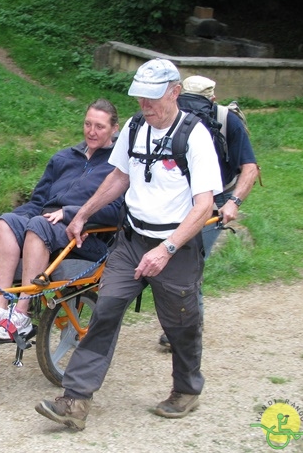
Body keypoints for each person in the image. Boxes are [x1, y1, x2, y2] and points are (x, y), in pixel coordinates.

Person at [35, 59, 222, 430]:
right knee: (105, 310)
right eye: (140, 97)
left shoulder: (195, 135)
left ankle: (186, 389)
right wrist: (83, 214)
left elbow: (204, 207)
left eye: (153, 98)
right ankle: (74, 401)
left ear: (175, 93)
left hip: (177, 247)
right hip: (132, 241)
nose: (145, 105)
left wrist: (166, 249)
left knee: (180, 323)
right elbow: (119, 177)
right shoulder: (136, 128)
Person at [0, 99, 124, 341]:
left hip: (85, 235)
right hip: (45, 223)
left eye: (100, 127)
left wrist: (70, 212)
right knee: (7, 221)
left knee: (39, 225)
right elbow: (38, 202)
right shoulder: (64, 158)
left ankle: (21, 314)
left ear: (114, 129)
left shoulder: (118, 166)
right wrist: (18, 218)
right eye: (87, 124)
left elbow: (116, 210)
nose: (91, 131)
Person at [158, 75, 260, 349]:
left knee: (188, 265)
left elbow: (250, 170)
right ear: (213, 98)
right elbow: (250, 169)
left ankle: (186, 331)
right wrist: (233, 203)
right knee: (184, 264)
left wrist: (231, 203)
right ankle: (182, 326)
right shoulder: (229, 119)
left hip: (204, 202)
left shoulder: (179, 114)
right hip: (198, 199)